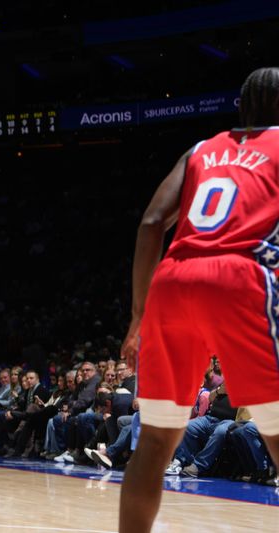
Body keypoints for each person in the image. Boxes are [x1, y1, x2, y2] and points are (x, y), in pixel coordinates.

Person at [119, 67, 279, 533]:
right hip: (240, 279)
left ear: (239, 108)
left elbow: (151, 223)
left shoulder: (200, 150)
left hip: (173, 282)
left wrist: (137, 317)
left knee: (154, 441)